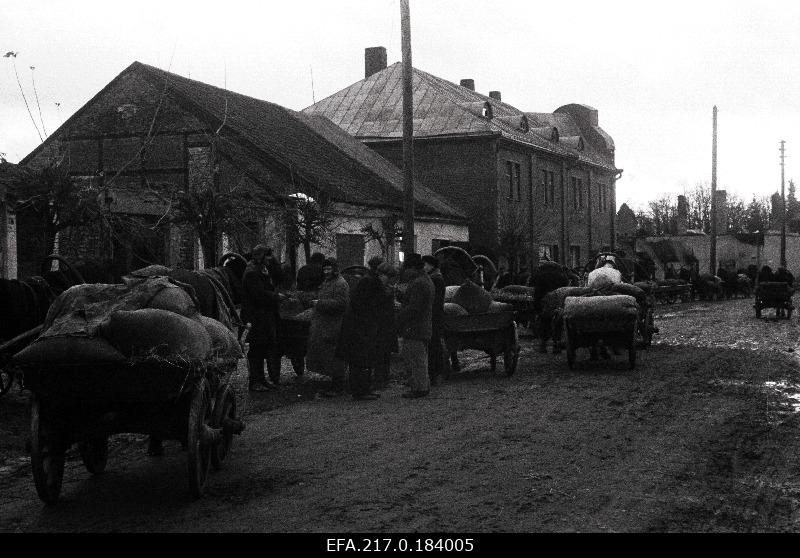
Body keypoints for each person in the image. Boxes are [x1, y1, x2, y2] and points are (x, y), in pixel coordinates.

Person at [336, 261, 397, 400]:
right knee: (361, 360)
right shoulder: (370, 283)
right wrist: (385, 296)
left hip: (361, 326)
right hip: (361, 327)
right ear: (382, 274)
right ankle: (360, 390)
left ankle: (363, 389)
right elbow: (365, 305)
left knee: (362, 360)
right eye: (388, 277)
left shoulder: (370, 282)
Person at [307, 258, 350, 396]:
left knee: (335, 356)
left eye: (329, 269)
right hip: (326, 324)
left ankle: (338, 386)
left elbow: (342, 304)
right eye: (324, 269)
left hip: (334, 325)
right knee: (329, 356)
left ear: (334, 269)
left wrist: (320, 303)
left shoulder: (340, 283)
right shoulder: (328, 282)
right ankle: (334, 385)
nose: (326, 272)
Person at [242, 244, 282, 391]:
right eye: (268, 256)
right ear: (261, 257)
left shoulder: (262, 270)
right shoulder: (252, 272)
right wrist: (276, 297)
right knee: (256, 350)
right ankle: (254, 381)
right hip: (255, 317)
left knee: (263, 347)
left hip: (264, 316)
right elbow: (258, 295)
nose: (271, 259)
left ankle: (262, 379)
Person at [396, 253, 434, 399]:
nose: (404, 271)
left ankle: (419, 388)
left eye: (406, 268)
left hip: (415, 327)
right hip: (422, 326)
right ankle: (422, 385)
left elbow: (414, 308)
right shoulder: (426, 280)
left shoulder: (418, 283)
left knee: (415, 359)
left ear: (412, 268)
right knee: (420, 358)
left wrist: (400, 313)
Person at [422, 254, 445, 386]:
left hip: (434, 316)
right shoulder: (435, 277)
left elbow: (435, 301)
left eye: (425, 264)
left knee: (434, 345)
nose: (424, 267)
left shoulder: (436, 279)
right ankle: (434, 373)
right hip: (435, 316)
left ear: (431, 265)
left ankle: (435, 373)